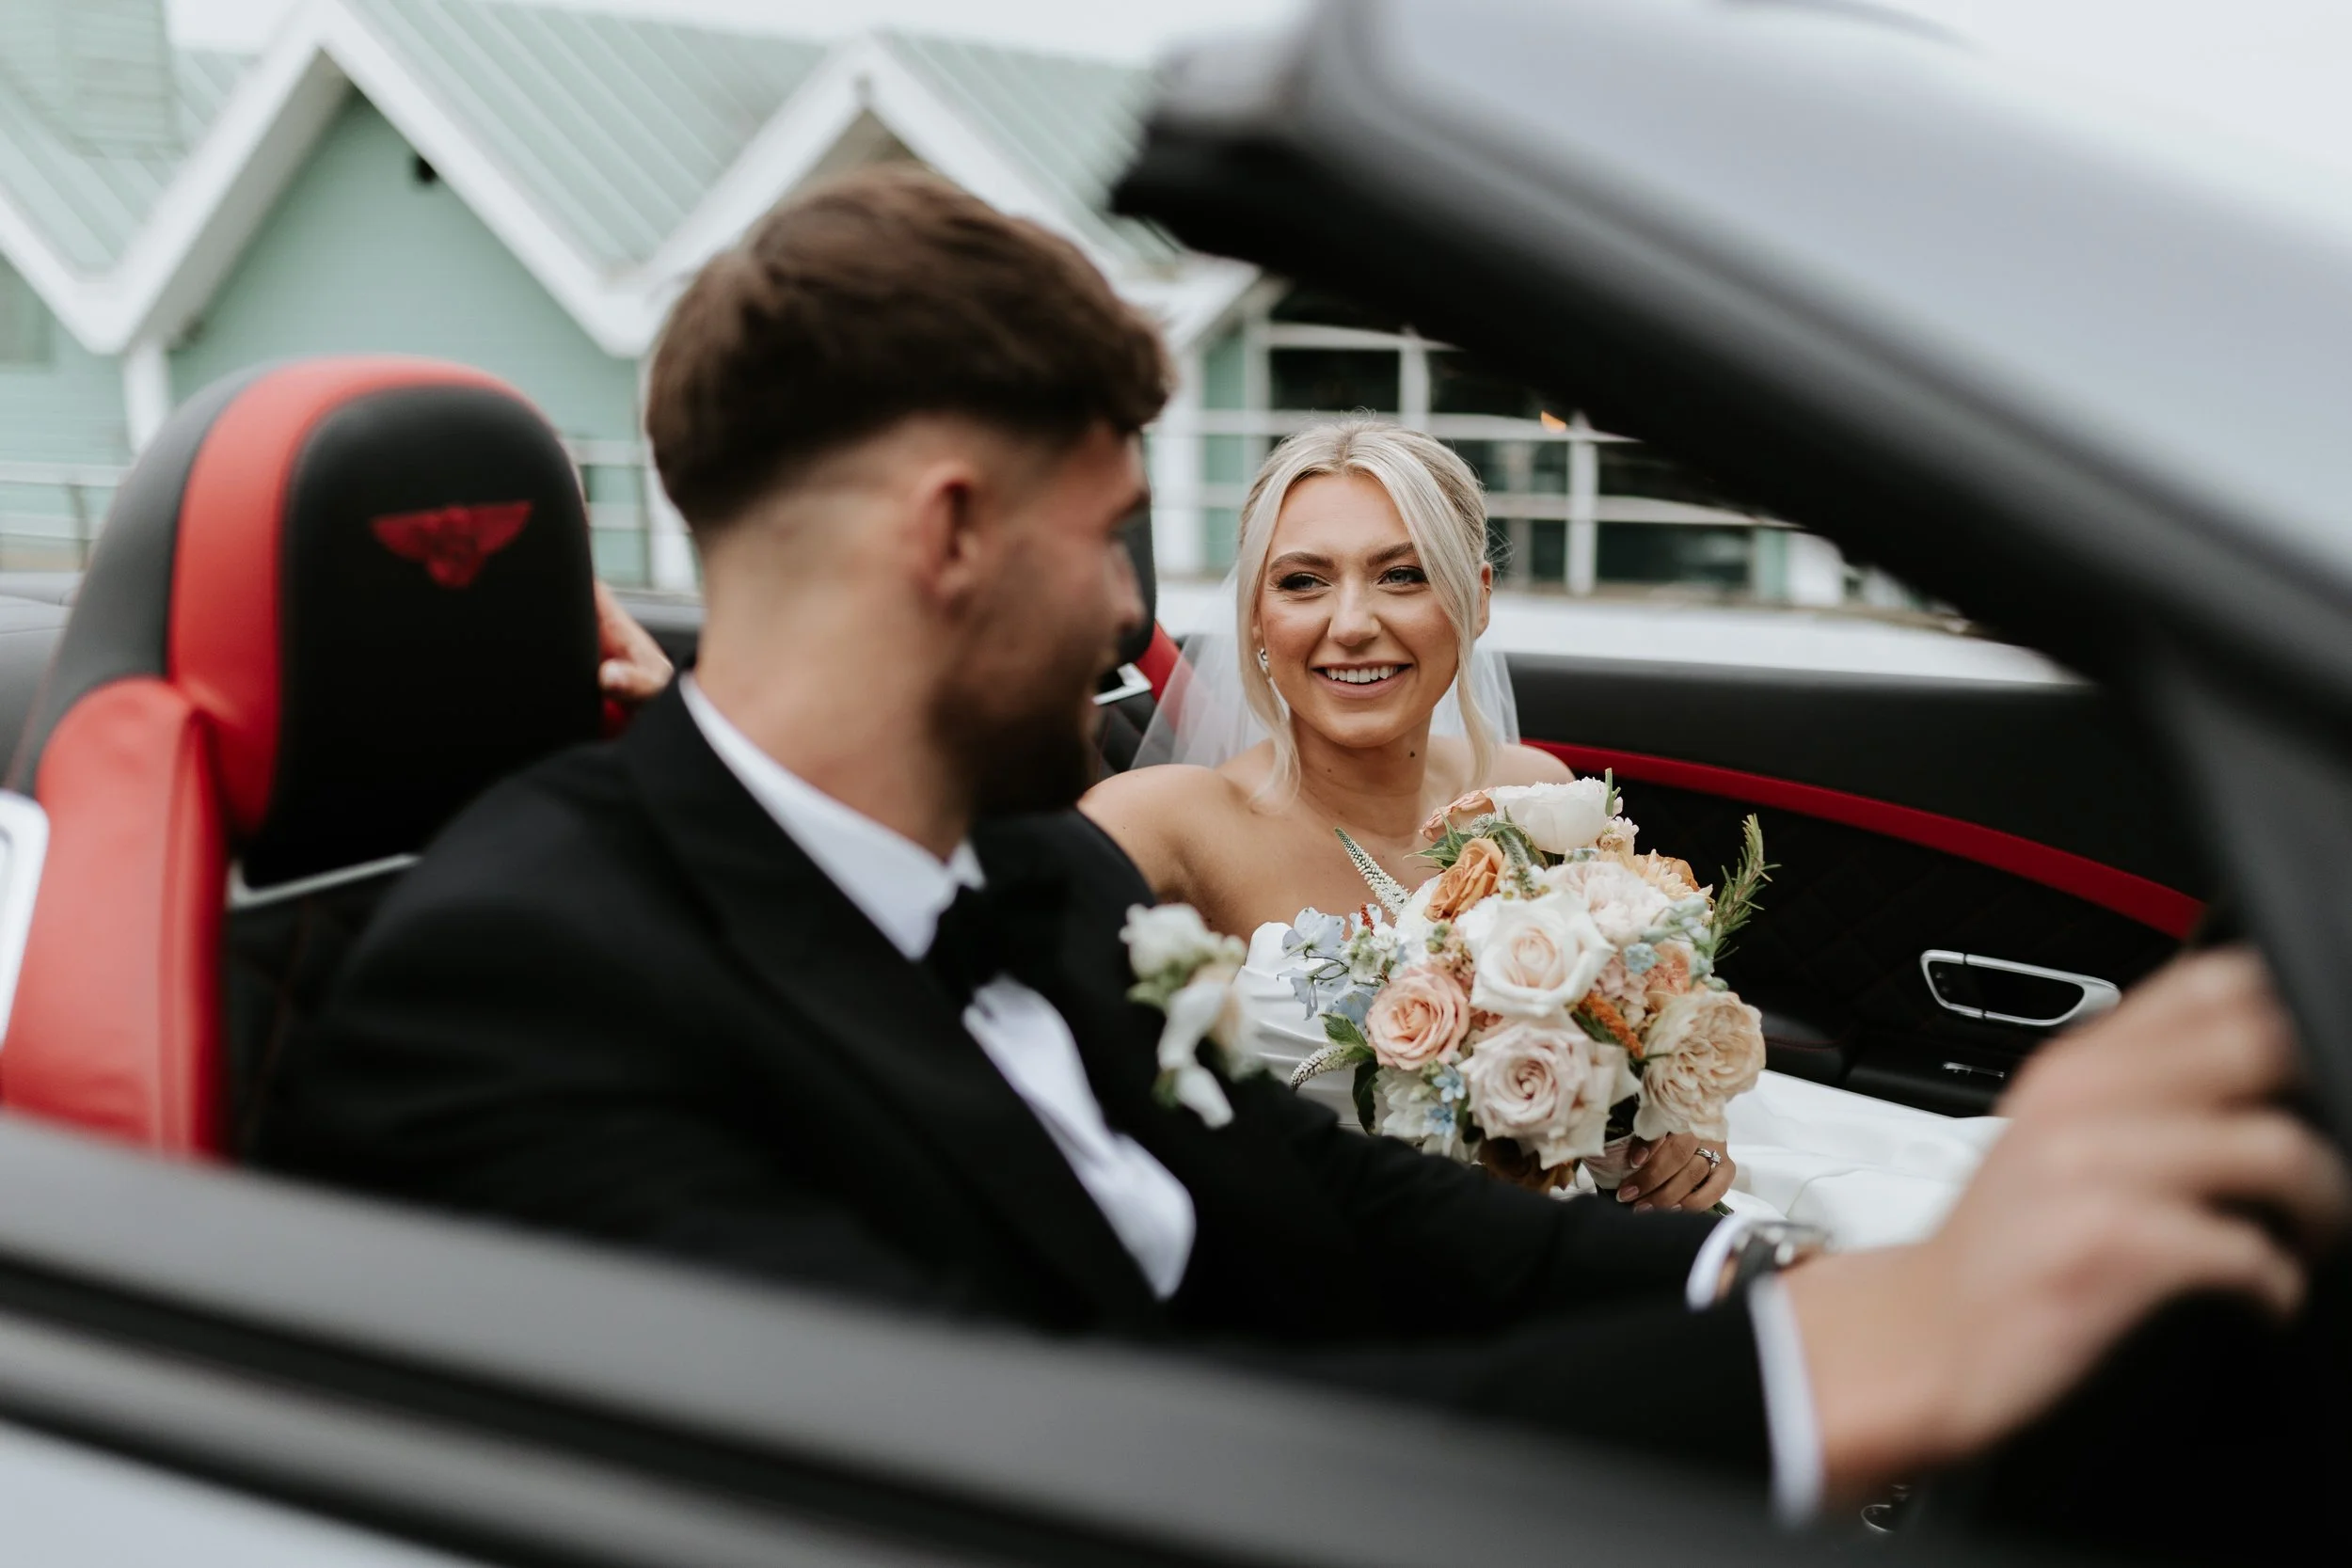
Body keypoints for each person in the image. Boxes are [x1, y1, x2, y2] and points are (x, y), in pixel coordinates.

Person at [257, 167, 2347, 1525]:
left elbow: (1341, 1201)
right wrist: (1861, 1365)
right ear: (951, 537)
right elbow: (1029, 1465)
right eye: (1113, 538)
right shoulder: (524, 989)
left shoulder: (1025, 885)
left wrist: (1786, 1280)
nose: (1131, 626)